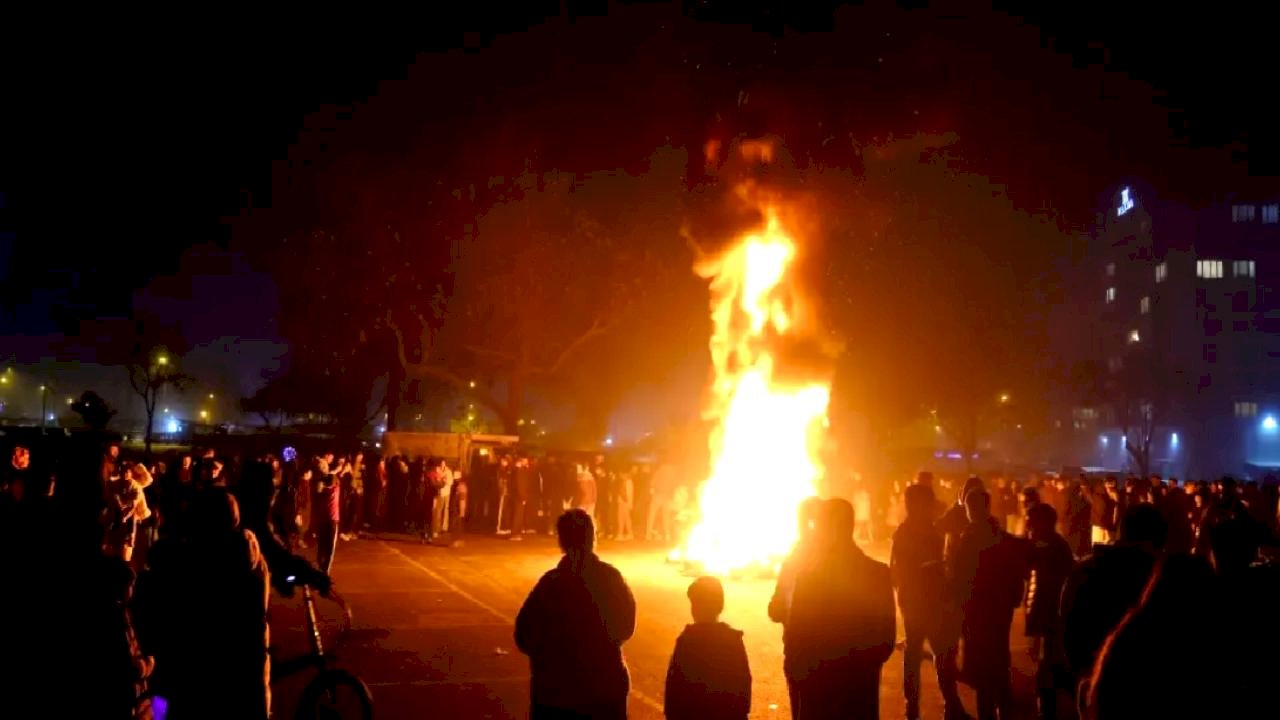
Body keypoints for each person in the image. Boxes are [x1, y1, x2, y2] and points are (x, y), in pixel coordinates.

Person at [134, 488, 271, 720]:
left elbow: (155, 615)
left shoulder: (186, 563)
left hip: (183, 678)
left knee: (161, 707)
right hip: (242, 679)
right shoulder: (252, 559)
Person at [515, 510, 636, 719]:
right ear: (593, 538)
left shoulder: (550, 584)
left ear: (561, 541)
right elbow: (625, 627)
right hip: (604, 691)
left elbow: (524, 635)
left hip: (556, 695)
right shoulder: (611, 579)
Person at [788, 498, 895, 720]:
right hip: (860, 693)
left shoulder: (809, 579)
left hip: (819, 694)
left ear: (830, 528)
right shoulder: (877, 574)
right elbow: (885, 639)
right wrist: (864, 668)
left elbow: (796, 642)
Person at [1060, 503, 1167, 688]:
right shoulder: (1161, 579)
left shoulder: (1084, 571)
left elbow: (1068, 627)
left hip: (1091, 682)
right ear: (1159, 539)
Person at [949, 489, 1028, 720]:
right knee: (999, 656)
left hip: (976, 611)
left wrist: (957, 605)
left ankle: (989, 712)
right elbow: (1016, 572)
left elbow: (959, 577)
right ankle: (1004, 705)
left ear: (970, 509)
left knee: (982, 664)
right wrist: (1013, 597)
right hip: (999, 609)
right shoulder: (1002, 537)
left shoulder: (968, 539)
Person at [891, 484, 964, 720]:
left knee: (936, 653)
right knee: (921, 653)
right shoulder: (906, 533)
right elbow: (900, 571)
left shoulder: (927, 528)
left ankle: (948, 704)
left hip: (928, 600)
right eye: (928, 502)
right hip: (917, 601)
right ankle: (916, 707)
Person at [768, 497, 824, 720]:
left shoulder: (796, 556)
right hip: (823, 649)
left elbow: (776, 608)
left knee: (801, 706)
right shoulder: (833, 556)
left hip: (800, 646)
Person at [664, 576, 751, 720]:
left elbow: (673, 693)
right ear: (720, 606)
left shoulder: (686, 642)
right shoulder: (733, 641)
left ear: (694, 607)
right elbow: (744, 689)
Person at [1023, 504, 1075, 720]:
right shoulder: (1048, 543)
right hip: (1047, 609)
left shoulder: (1052, 546)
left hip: (1051, 610)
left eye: (1031, 520)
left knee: (1050, 661)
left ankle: (1049, 706)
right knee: (1049, 659)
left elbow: (1052, 580)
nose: (1028, 524)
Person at [313, 458, 342, 573]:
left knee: (322, 547)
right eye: (324, 466)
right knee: (329, 549)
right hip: (331, 518)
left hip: (324, 518)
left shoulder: (320, 481)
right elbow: (331, 480)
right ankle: (324, 573)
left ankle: (320, 570)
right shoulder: (330, 479)